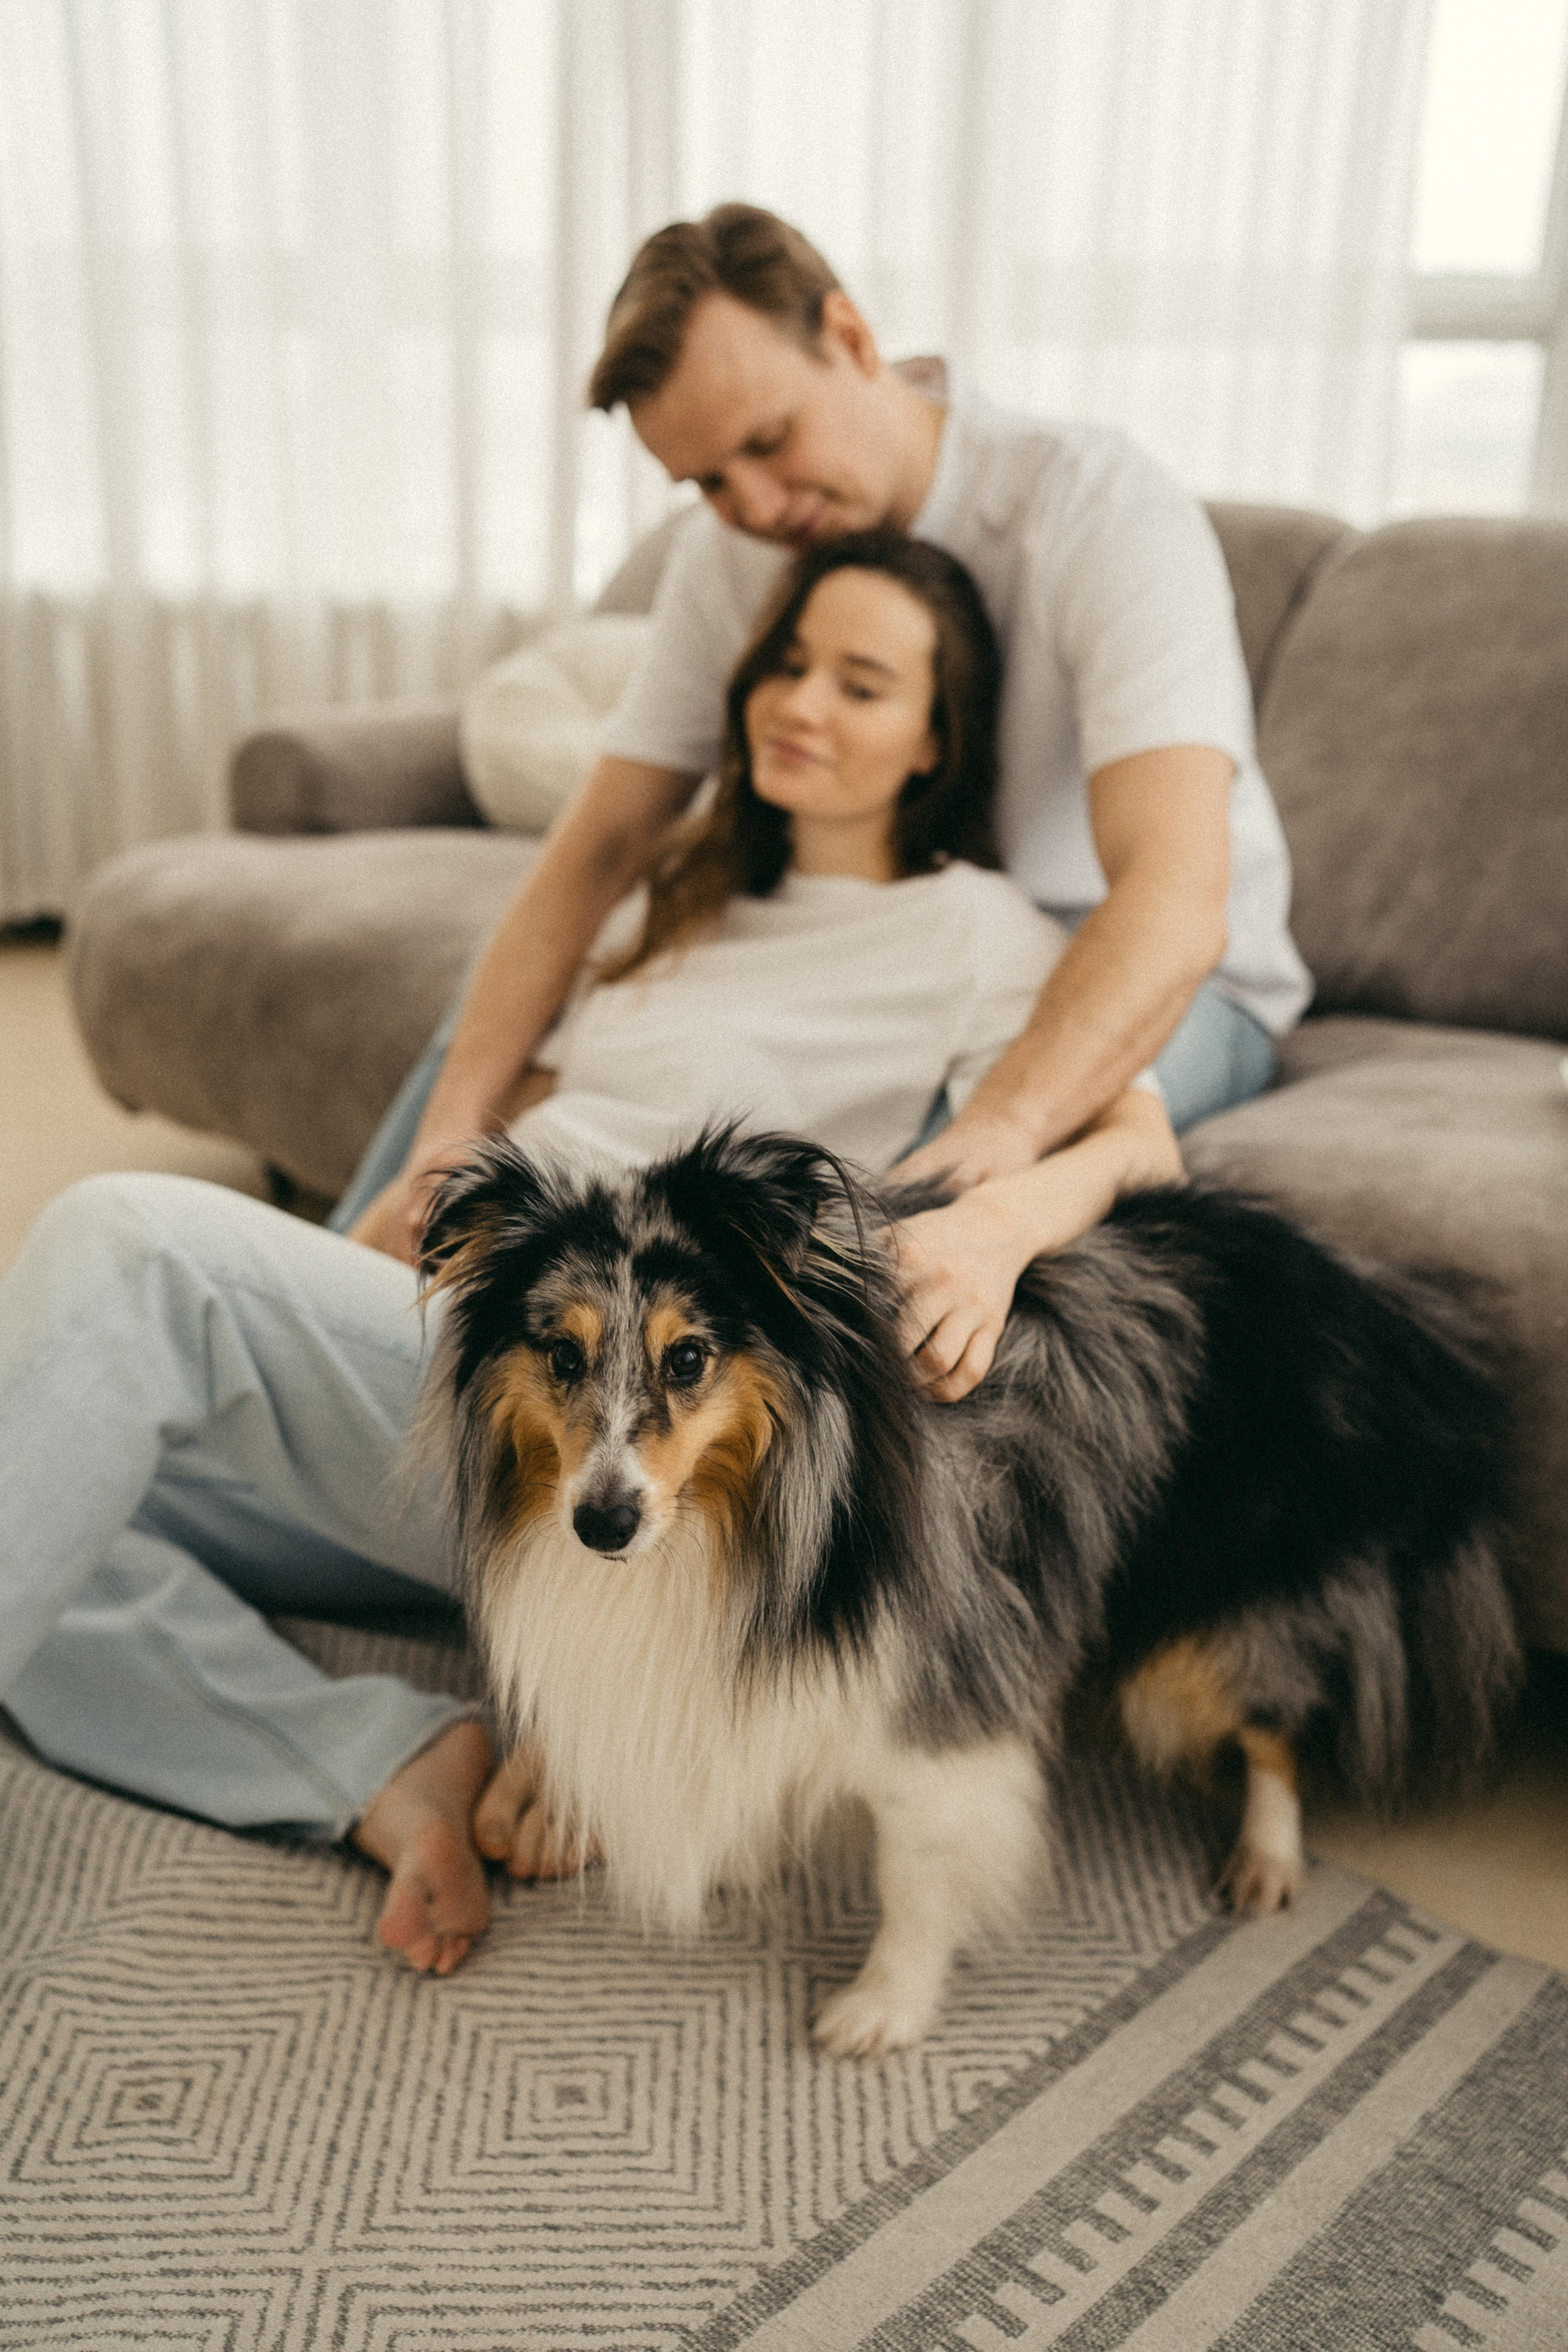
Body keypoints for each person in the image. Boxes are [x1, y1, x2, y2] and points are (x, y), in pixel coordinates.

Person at [0, 531, 1178, 1980]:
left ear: (938, 738)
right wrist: (387, 1211)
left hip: (642, 1408)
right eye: (786, 664)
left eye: (861, 684)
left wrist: (994, 1231)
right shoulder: (671, 897)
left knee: (123, 1242)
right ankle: (380, 1760)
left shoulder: (976, 931)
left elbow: (1140, 1140)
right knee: (49, 1456)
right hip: (496, 1371)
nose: (800, 703)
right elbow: (548, 1116)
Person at [339, 200, 1309, 1282]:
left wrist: (997, 1130)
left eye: (768, 442)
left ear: (851, 339)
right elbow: (602, 843)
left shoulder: (1098, 511)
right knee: (489, 1051)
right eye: (706, 480)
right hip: (891, 935)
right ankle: (307, 1299)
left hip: (1143, 967)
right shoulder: (734, 550)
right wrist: (452, 1137)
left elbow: (1175, 899)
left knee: (905, 1187)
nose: (752, 505)